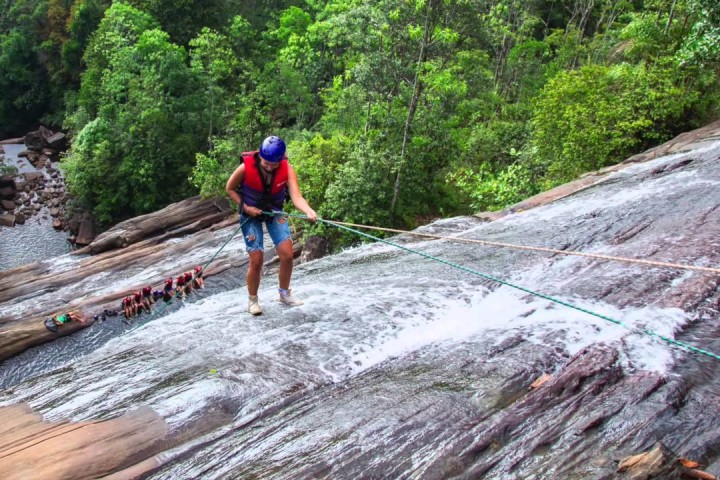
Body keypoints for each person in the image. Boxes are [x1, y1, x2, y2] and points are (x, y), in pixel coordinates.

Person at [225, 135, 317, 316]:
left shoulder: (287, 169)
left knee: (287, 254)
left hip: (273, 211)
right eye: (265, 163)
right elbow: (229, 188)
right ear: (260, 156)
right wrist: (246, 207)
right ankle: (253, 300)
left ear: (281, 160)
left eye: (272, 164)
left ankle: (284, 294)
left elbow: (296, 196)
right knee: (257, 260)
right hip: (250, 214)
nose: (268, 167)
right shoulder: (245, 167)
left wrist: (308, 211)